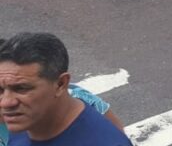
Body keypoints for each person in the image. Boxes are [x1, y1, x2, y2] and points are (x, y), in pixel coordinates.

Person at [0, 34, 130, 146]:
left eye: (21, 88)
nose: (5, 103)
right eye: (0, 90)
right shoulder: (25, 119)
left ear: (61, 84)